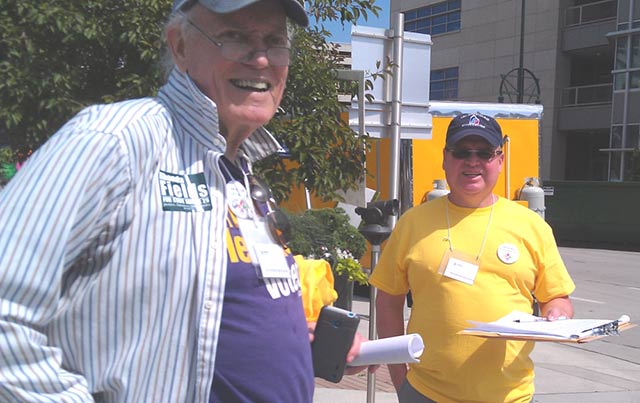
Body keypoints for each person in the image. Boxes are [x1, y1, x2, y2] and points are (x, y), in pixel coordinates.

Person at [0, 1, 368, 402]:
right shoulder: (116, 141)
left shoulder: (241, 171)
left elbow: (223, 316)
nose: (261, 58)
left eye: (274, 42)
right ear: (179, 46)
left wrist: (300, 342)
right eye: (235, 37)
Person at [370, 112, 576, 403]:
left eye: (484, 153)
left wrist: (558, 314)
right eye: (462, 152)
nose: (472, 161)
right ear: (445, 158)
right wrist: (400, 379)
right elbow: (388, 301)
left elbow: (557, 297)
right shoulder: (412, 223)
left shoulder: (530, 225)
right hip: (426, 393)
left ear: (500, 160)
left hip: (510, 396)